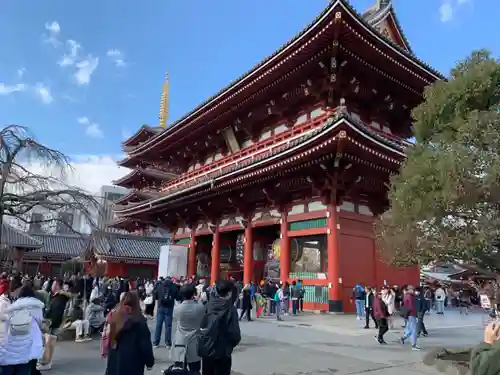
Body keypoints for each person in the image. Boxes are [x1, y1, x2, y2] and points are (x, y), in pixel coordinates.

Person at [105, 292, 154, 375]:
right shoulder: (139, 322)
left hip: (115, 363)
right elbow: (145, 346)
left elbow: (112, 342)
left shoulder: (115, 318)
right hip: (133, 363)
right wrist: (149, 362)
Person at [1, 283, 45, 375]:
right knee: (25, 367)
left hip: (11, 346)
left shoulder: (13, 307)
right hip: (27, 348)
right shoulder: (37, 308)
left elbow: (6, 325)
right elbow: (40, 323)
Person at [199, 280, 241, 375]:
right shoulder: (230, 308)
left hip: (207, 347)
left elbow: (201, 325)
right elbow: (235, 333)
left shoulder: (208, 305)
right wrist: (230, 345)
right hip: (223, 350)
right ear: (229, 292)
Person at [169, 284, 205, 375]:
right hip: (194, 340)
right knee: (195, 369)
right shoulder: (200, 307)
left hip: (180, 341)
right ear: (193, 294)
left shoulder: (177, 309)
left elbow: (175, 316)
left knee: (179, 369)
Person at [153, 277, 178, 348]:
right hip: (169, 308)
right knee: (168, 326)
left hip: (160, 307)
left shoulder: (160, 286)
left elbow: (156, 297)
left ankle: (156, 342)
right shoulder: (173, 286)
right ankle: (168, 343)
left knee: (158, 325)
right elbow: (177, 296)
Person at [399, 285, 421, 351]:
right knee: (414, 330)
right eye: (412, 289)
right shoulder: (410, 296)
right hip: (412, 314)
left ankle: (403, 338)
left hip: (408, 315)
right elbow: (411, 307)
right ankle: (413, 345)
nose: (413, 291)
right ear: (409, 290)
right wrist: (416, 315)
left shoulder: (406, 295)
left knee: (409, 328)